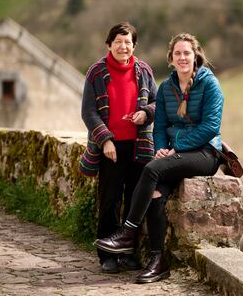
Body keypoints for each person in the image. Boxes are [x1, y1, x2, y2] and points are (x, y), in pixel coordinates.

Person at [94, 32, 224, 283]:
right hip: (174, 154)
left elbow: (210, 127)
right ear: (171, 58)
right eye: (178, 53)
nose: (183, 57)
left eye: (187, 53)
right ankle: (157, 261)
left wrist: (176, 149)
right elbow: (161, 125)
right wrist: (161, 150)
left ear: (195, 56)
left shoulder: (210, 84)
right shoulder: (166, 87)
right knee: (155, 193)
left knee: (151, 170)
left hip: (205, 153)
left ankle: (127, 232)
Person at [79, 22, 157, 273]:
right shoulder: (96, 72)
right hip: (110, 147)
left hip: (139, 147)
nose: (123, 46)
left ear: (134, 45)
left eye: (128, 42)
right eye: (118, 42)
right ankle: (106, 256)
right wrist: (106, 140)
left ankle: (126, 253)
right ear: (109, 44)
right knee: (110, 200)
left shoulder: (144, 70)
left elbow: (157, 103)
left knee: (134, 201)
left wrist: (146, 113)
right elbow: (88, 112)